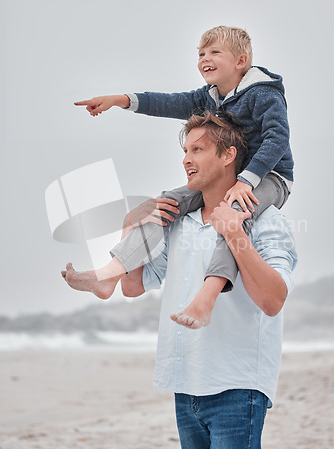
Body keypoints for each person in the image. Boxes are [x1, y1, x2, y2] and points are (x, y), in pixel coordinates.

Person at [65, 25, 294, 329]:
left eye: (214, 52)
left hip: (271, 177)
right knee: (165, 204)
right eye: (201, 53)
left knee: (234, 213)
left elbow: (277, 139)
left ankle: (207, 296)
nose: (204, 58)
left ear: (241, 61)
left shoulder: (263, 93)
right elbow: (168, 102)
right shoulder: (209, 97)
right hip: (231, 178)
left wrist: (246, 181)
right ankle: (110, 274)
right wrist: (120, 99)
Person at [119, 113, 297, 449]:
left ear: (229, 155)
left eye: (198, 149)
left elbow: (274, 300)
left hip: (237, 386)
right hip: (185, 385)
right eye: (185, 150)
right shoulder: (180, 223)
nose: (186, 158)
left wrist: (235, 234)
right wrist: (129, 228)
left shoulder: (267, 220)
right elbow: (133, 286)